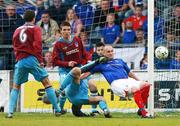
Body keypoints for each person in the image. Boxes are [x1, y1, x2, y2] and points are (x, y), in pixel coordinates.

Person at [6, 10, 62, 118]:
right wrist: (40, 60)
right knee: (46, 83)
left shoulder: (17, 30)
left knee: (16, 86)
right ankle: (58, 109)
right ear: (34, 18)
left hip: (20, 61)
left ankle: (10, 112)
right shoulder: (36, 28)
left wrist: (18, 58)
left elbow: (15, 45)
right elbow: (37, 45)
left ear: (24, 18)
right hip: (31, 59)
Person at [88, 45, 152, 118]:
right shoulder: (101, 65)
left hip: (127, 81)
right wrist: (77, 77)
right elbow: (88, 73)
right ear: (104, 53)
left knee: (146, 85)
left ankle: (141, 109)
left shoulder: (120, 61)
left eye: (112, 51)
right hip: (116, 84)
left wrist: (139, 81)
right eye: (108, 52)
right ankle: (144, 113)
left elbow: (130, 73)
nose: (110, 53)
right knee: (135, 89)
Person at [52, 21, 99, 114]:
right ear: (61, 31)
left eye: (68, 30)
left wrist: (85, 64)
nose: (66, 32)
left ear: (71, 30)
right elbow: (54, 61)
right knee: (64, 90)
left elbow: (85, 54)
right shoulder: (58, 44)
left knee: (92, 85)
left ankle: (94, 110)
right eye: (64, 30)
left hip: (79, 69)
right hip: (64, 71)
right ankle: (58, 109)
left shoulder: (77, 39)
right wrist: (67, 63)